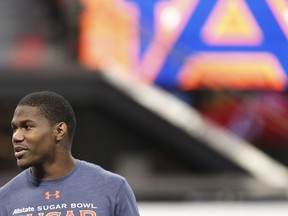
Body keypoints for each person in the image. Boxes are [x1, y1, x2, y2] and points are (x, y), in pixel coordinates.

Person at [0, 91, 140, 216]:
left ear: (59, 131)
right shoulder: (4, 198)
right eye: (14, 128)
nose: (16, 137)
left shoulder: (113, 188)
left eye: (27, 126)